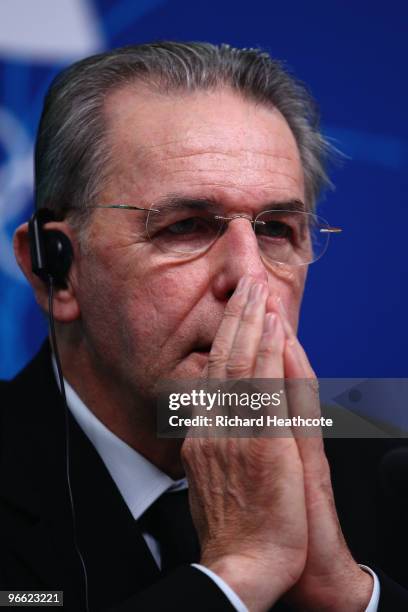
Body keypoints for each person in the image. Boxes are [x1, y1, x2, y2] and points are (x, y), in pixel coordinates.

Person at [1, 41, 407, 612]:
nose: (250, 279)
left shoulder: (390, 462)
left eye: (276, 231)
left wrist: (349, 595)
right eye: (186, 226)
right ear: (56, 273)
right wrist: (237, 575)